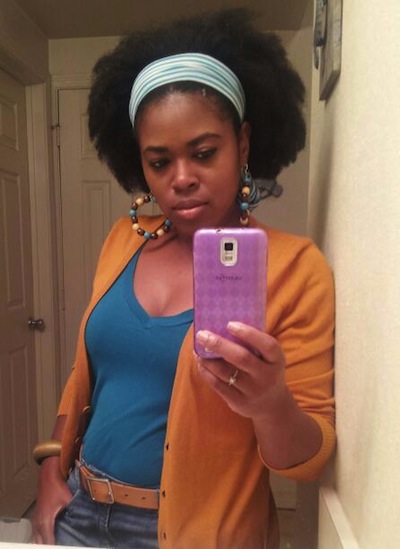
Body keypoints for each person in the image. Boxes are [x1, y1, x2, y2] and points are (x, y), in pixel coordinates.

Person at [33, 8, 335, 549]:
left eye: (203, 153)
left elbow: (307, 462)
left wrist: (269, 403)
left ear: (243, 144)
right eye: (159, 162)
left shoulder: (295, 269)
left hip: (197, 534)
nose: (181, 179)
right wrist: (50, 471)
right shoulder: (124, 240)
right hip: (78, 511)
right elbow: (86, 373)